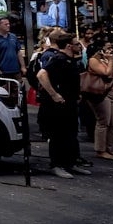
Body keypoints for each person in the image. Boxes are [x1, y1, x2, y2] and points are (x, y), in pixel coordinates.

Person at [36, 32, 90, 178]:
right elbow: (41, 74)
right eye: (77, 44)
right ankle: (56, 165)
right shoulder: (58, 59)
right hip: (58, 105)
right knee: (58, 135)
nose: (80, 46)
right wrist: (54, 94)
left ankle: (70, 163)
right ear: (69, 46)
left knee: (71, 134)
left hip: (70, 103)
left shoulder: (70, 60)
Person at [84, 36, 113, 160]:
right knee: (104, 121)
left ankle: (108, 148)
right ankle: (100, 149)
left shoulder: (106, 60)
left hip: (112, 92)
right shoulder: (93, 60)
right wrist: (110, 61)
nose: (111, 50)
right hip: (100, 93)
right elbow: (107, 73)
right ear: (100, 50)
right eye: (108, 48)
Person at [0, 17, 25, 81]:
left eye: (8, 24)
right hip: (2, 70)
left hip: (15, 69)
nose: (8, 26)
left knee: (18, 88)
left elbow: (18, 52)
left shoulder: (13, 36)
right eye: (6, 24)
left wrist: (23, 66)